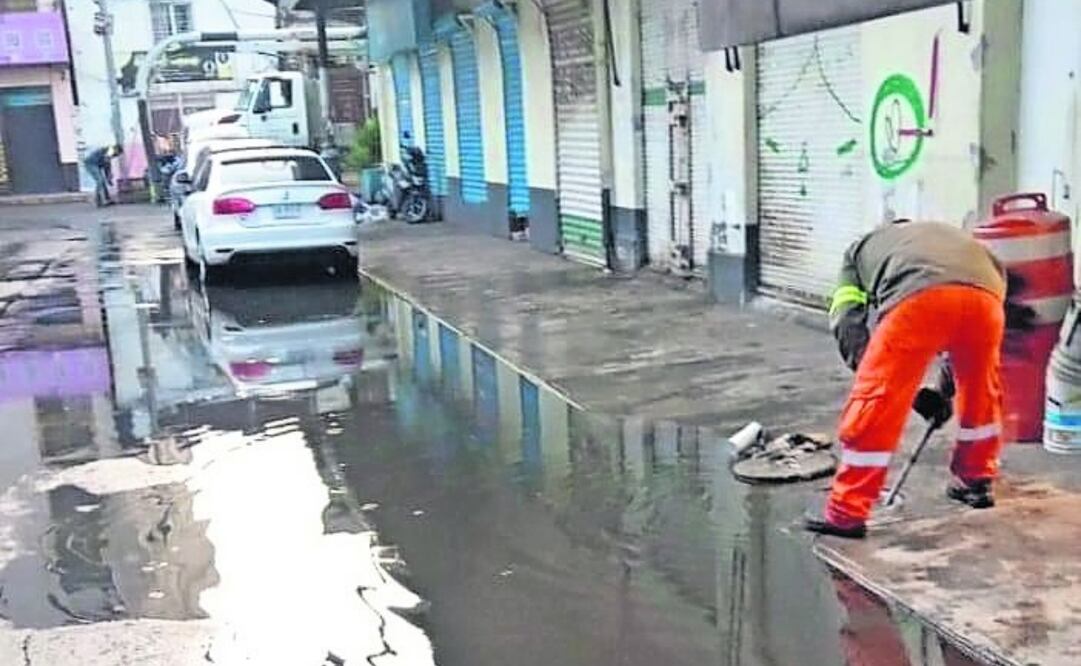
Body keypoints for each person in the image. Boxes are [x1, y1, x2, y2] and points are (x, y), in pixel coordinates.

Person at [804, 220, 1010, 539]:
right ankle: (975, 482)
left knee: (876, 401)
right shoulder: (947, 237)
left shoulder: (857, 254)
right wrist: (942, 393)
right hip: (987, 301)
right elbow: (960, 329)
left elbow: (846, 322)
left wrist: (881, 377)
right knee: (981, 394)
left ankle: (846, 513)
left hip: (920, 300)